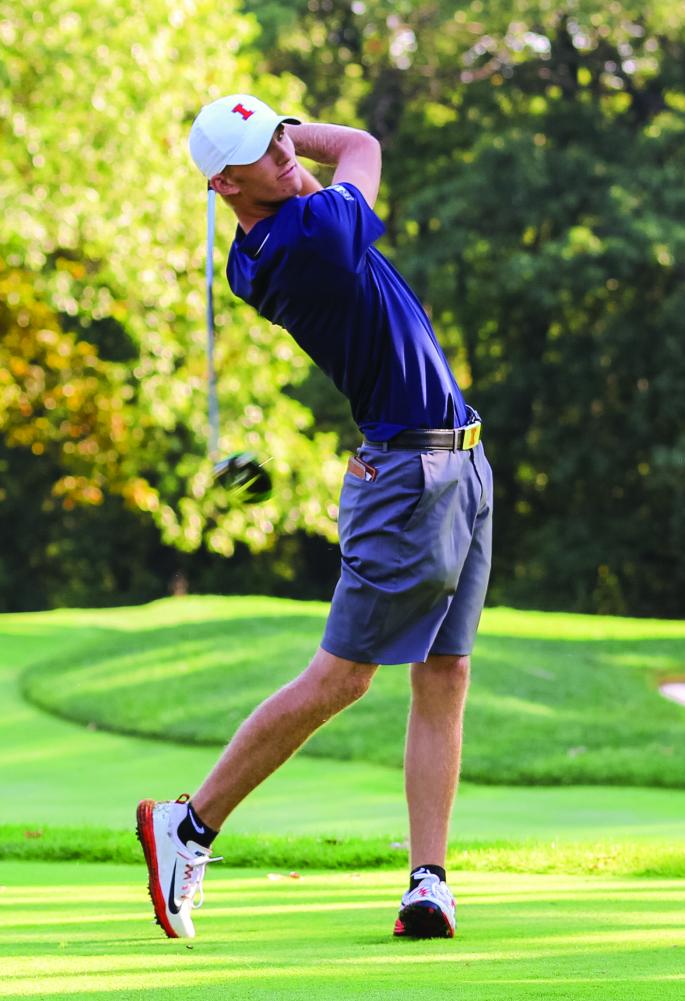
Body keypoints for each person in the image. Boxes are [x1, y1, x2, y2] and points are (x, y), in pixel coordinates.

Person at [136, 93, 494, 941]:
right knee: (343, 676)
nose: (286, 156)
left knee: (444, 673)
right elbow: (361, 142)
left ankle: (427, 881)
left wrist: (275, 136)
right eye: (264, 151)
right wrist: (300, 128)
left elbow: (324, 159)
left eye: (280, 138)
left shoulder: (279, 225)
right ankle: (186, 827)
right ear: (226, 184)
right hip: (406, 475)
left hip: (460, 460)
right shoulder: (310, 239)